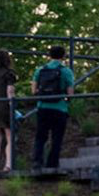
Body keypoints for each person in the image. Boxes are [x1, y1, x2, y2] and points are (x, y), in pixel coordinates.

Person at [30, 42, 74, 173]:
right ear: (63, 56)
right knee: (57, 138)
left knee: (40, 137)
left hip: (43, 107)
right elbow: (70, 93)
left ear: (49, 55)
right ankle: (52, 164)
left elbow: (33, 91)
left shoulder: (40, 70)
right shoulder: (66, 71)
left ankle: (37, 162)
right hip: (59, 108)